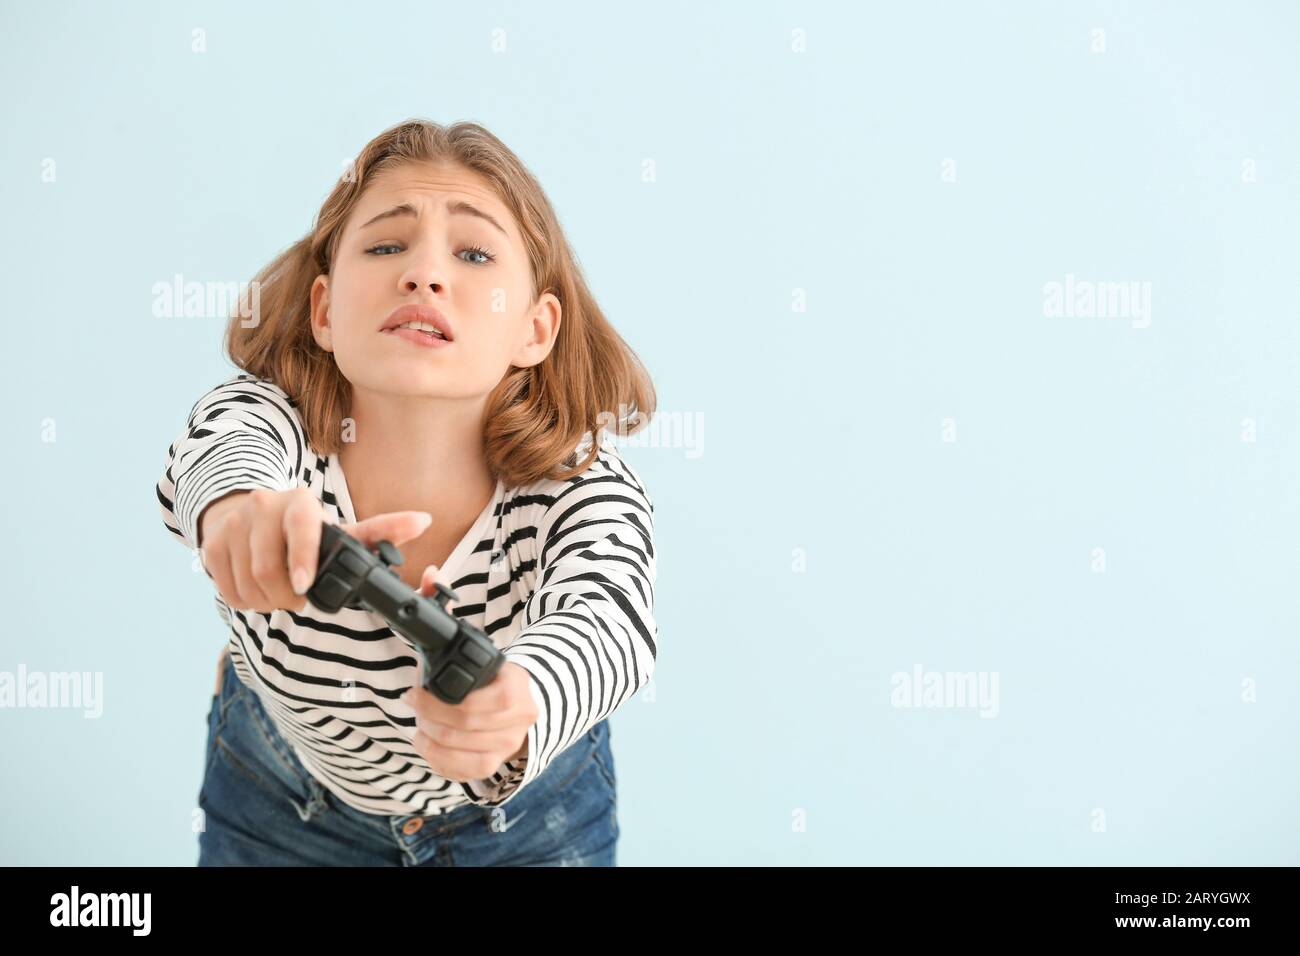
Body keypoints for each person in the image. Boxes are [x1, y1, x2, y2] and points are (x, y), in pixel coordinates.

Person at [156, 118, 658, 866]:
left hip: (528, 821)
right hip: (281, 796)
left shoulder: (579, 485)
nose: (423, 273)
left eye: (474, 253)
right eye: (387, 245)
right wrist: (240, 514)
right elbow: (220, 456)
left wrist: (523, 700)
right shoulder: (264, 427)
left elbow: (611, 617)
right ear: (324, 311)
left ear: (536, 329)